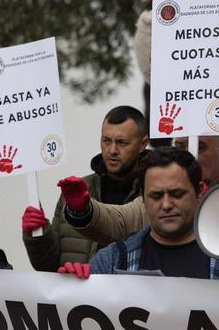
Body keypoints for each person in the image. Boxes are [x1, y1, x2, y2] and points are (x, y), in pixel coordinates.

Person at [58, 148, 218, 280]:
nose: (167, 205)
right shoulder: (113, 260)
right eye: (156, 196)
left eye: (177, 194)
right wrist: (77, 288)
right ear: (143, 197)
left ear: (199, 192)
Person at [22, 106, 148, 271]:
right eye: (106, 140)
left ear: (143, 144)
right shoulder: (75, 191)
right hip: (76, 294)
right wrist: (37, 235)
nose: (112, 150)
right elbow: (48, 267)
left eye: (121, 142)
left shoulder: (155, 195)